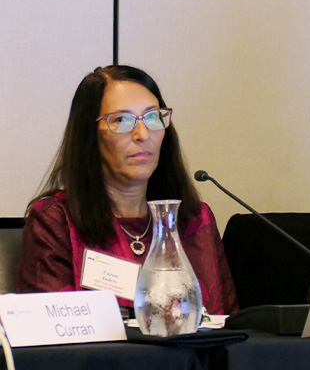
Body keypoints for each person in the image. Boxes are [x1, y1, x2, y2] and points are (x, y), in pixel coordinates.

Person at [15, 65, 239, 315]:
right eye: (122, 120)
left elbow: (231, 326)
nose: (142, 134)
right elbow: (51, 331)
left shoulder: (195, 221)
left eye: (153, 117)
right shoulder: (56, 221)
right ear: (89, 135)